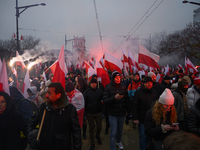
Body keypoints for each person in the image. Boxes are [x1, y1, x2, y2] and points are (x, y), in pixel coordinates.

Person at [27, 82, 81, 150]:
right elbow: (30, 123)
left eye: (49, 93)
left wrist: (77, 148)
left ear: (58, 95)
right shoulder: (43, 108)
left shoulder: (69, 110)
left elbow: (77, 133)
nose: (46, 95)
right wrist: (31, 138)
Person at [103, 71, 131, 150]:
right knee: (113, 133)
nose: (118, 79)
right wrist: (114, 98)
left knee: (120, 130)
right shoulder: (108, 87)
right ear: (113, 78)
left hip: (121, 113)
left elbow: (127, 100)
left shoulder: (123, 86)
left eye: (119, 78)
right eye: (116, 78)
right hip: (112, 114)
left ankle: (118, 141)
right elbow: (105, 100)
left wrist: (129, 112)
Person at [132, 76, 158, 150]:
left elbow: (157, 105)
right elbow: (135, 105)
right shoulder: (138, 92)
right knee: (143, 136)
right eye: (147, 83)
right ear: (144, 84)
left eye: (150, 83)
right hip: (142, 118)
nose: (149, 84)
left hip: (152, 119)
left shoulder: (154, 93)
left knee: (150, 136)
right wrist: (135, 118)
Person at [84, 78, 104, 150]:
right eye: (92, 83)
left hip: (98, 112)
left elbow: (103, 102)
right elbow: (84, 103)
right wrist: (85, 114)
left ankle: (97, 136)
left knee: (99, 127)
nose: (93, 84)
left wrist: (103, 112)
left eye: (95, 83)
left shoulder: (100, 91)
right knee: (91, 128)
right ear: (90, 84)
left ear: (96, 84)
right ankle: (92, 143)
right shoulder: (86, 92)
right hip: (89, 113)